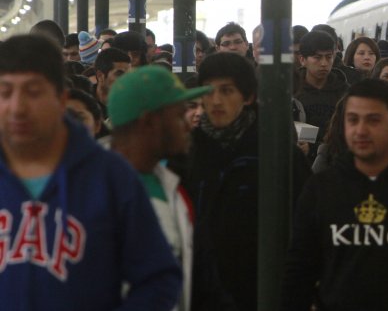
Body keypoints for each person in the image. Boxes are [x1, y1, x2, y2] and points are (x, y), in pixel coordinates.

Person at [0, 35, 181, 310]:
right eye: (5, 92)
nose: (17, 107)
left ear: (61, 99)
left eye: (33, 92)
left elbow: (158, 277)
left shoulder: (110, 176)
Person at [280, 79, 388, 311]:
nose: (361, 130)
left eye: (373, 120)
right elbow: (299, 269)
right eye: (353, 120)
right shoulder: (322, 188)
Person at [185, 51, 311, 311]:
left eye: (227, 90)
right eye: (208, 91)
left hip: (260, 292)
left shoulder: (277, 154)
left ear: (248, 96)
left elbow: (306, 225)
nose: (216, 100)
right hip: (201, 293)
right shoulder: (187, 152)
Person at [107, 65, 213, 311]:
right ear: (149, 122)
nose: (187, 125)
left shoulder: (170, 184)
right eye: (178, 115)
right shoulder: (97, 194)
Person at [293, 31, 349, 160]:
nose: (324, 63)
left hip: (337, 158)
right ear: (302, 60)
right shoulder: (293, 91)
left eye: (328, 57)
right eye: (317, 57)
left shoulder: (344, 91)